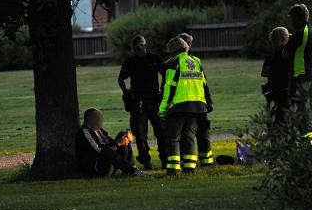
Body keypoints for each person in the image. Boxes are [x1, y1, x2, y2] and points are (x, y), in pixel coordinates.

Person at [159, 37, 212, 175]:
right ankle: (190, 168)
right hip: (197, 106)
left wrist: (163, 109)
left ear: (172, 51)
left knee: (173, 138)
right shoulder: (196, 61)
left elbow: (169, 88)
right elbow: (204, 85)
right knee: (189, 137)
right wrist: (207, 103)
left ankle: (173, 169)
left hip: (179, 106)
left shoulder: (173, 63)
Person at [117, 35, 165, 170]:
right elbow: (121, 79)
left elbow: (166, 73)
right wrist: (126, 92)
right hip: (138, 101)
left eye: (141, 46)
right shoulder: (130, 62)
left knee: (160, 131)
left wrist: (163, 89)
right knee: (140, 133)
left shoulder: (154, 58)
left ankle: (165, 159)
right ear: (133, 48)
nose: (138, 49)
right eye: (136, 48)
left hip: (154, 100)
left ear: (145, 45)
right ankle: (146, 161)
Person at [178, 32, 214, 167]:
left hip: (198, 103)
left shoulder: (195, 61)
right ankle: (189, 162)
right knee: (187, 135)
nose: (189, 45)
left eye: (190, 43)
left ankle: (206, 162)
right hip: (189, 104)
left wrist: (209, 101)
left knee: (202, 134)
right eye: (187, 42)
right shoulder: (180, 62)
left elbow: (204, 83)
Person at [75, 108, 144, 177]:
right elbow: (98, 150)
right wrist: (118, 144)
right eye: (98, 118)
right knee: (106, 149)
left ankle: (131, 168)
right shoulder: (84, 133)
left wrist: (124, 139)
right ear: (91, 120)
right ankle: (131, 171)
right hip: (96, 168)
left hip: (109, 162)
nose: (100, 120)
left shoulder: (98, 130)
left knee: (123, 136)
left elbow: (110, 143)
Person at [286, 4, 312, 107]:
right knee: (311, 109)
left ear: (297, 17)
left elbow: (285, 54)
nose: (291, 22)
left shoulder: (299, 34)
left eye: (292, 18)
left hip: (300, 76)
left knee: (298, 111)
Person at [261, 26, 291, 120]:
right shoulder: (271, 55)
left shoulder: (288, 54)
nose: (274, 44)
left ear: (284, 40)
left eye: (276, 41)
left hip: (285, 90)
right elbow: (264, 72)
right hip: (273, 90)